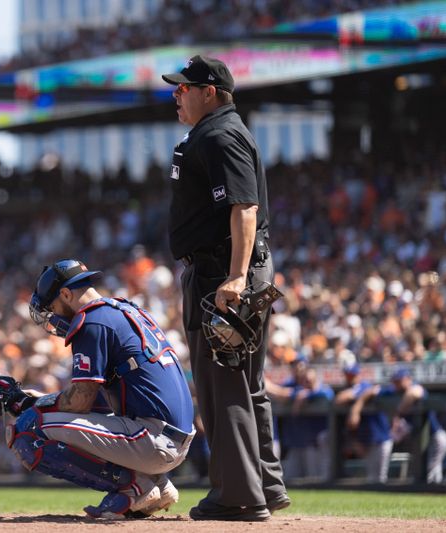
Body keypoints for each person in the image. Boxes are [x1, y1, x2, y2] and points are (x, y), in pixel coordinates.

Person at [161, 55, 288, 521]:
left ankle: (238, 495)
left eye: (184, 87)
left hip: (224, 273)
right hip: (230, 268)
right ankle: (266, 486)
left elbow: (244, 208)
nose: (177, 94)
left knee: (224, 385)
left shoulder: (219, 134)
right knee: (246, 385)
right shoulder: (218, 132)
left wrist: (234, 277)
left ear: (208, 92)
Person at [0, 259, 196, 519]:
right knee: (43, 415)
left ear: (66, 294)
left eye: (52, 306)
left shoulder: (92, 321)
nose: (53, 316)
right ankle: (157, 484)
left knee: (26, 428)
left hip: (151, 437)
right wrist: (40, 399)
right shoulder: (124, 310)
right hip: (170, 436)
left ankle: (135, 486)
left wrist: (30, 406)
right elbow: (96, 402)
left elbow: (80, 402)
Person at [384, 368, 446, 484]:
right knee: (430, 470)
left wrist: (399, 412)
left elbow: (414, 392)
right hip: (423, 438)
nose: (397, 384)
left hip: (435, 436)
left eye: (400, 380)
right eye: (395, 381)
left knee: (430, 470)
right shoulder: (394, 393)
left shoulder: (415, 388)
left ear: (408, 379)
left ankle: (432, 493)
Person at [335, 363, 393, 483]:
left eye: (352, 374)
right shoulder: (348, 389)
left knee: (381, 477)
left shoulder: (365, 385)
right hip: (366, 439)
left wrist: (356, 407)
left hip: (381, 437)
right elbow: (339, 399)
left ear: (358, 374)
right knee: (372, 477)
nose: (350, 377)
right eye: (348, 375)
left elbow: (371, 391)